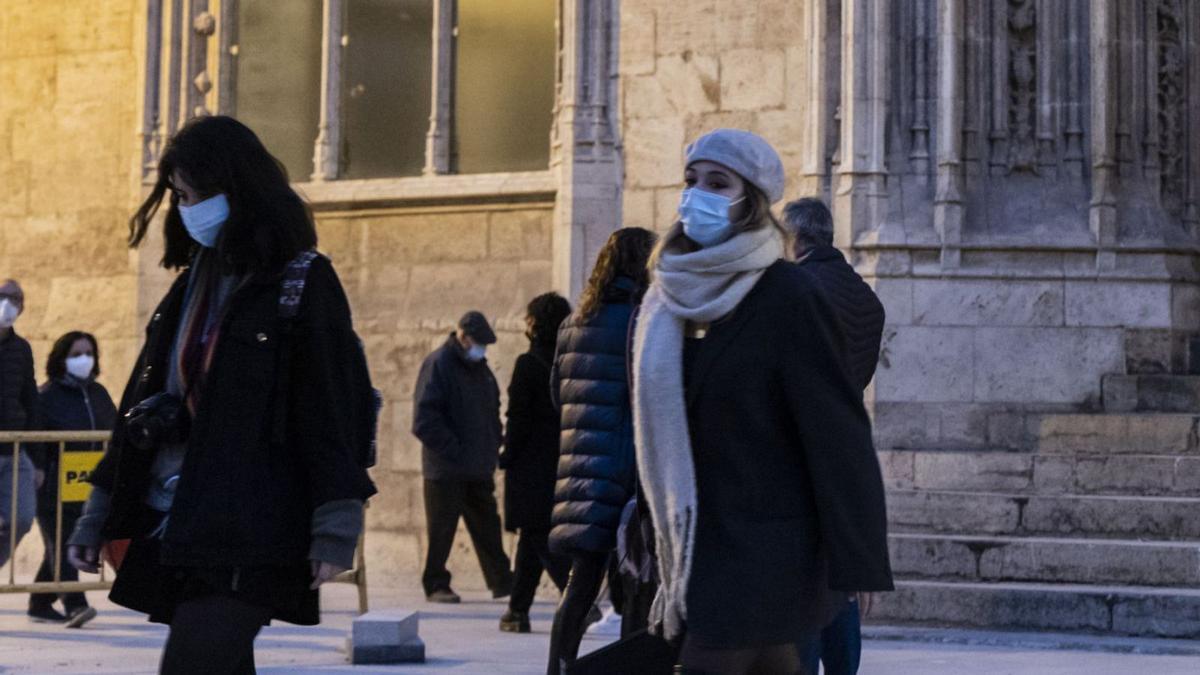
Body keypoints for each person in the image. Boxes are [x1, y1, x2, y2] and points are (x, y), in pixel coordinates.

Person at [65, 115, 377, 675]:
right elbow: (143, 401)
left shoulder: (302, 281)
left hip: (252, 523)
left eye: (195, 194)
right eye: (179, 196)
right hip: (180, 521)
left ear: (238, 189)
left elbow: (333, 412)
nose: (186, 209)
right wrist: (99, 515)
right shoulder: (192, 282)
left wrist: (335, 528)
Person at [631, 129, 893, 674]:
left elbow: (837, 431)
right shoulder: (666, 299)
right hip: (698, 544)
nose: (696, 194)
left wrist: (858, 559)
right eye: (691, 180)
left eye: (717, 183)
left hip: (767, 546)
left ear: (749, 200)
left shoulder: (787, 295)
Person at [546, 227, 658, 674]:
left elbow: (559, 395)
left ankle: (557, 668)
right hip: (627, 469)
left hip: (580, 469)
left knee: (580, 586)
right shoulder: (642, 320)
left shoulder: (572, 323)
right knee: (636, 580)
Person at [783, 197, 887, 675]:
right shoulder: (865, 298)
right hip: (845, 444)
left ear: (794, 238)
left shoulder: (795, 289)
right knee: (837, 573)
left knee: (803, 577)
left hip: (800, 447)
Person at [412, 310, 514, 604]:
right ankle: (435, 583)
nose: (482, 349)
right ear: (463, 337)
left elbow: (491, 410)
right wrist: (454, 450)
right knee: (442, 529)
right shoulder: (439, 365)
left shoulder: (480, 369)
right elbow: (424, 419)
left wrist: (495, 442)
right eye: (479, 342)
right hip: (446, 469)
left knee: (488, 528)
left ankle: (503, 581)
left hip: (477, 466)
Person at [27, 332, 116, 627]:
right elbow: (36, 440)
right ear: (61, 358)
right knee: (64, 542)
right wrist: (39, 470)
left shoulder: (99, 394)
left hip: (87, 486)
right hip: (52, 486)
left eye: (89, 353)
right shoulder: (47, 396)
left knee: (60, 544)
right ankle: (75, 604)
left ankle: (40, 602)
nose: (84, 359)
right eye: (76, 353)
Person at [498, 292, 574, 633]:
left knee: (540, 536)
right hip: (561, 460)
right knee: (532, 537)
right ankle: (517, 610)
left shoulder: (528, 365)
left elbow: (518, 418)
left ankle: (577, 601)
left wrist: (506, 455)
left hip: (531, 464)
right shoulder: (570, 361)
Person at [0, 279, 38, 571]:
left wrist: (37, 461)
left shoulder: (21, 349)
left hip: (14, 450)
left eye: (16, 299)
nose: (8, 304)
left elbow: (30, 399)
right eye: (3, 296)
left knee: (22, 518)